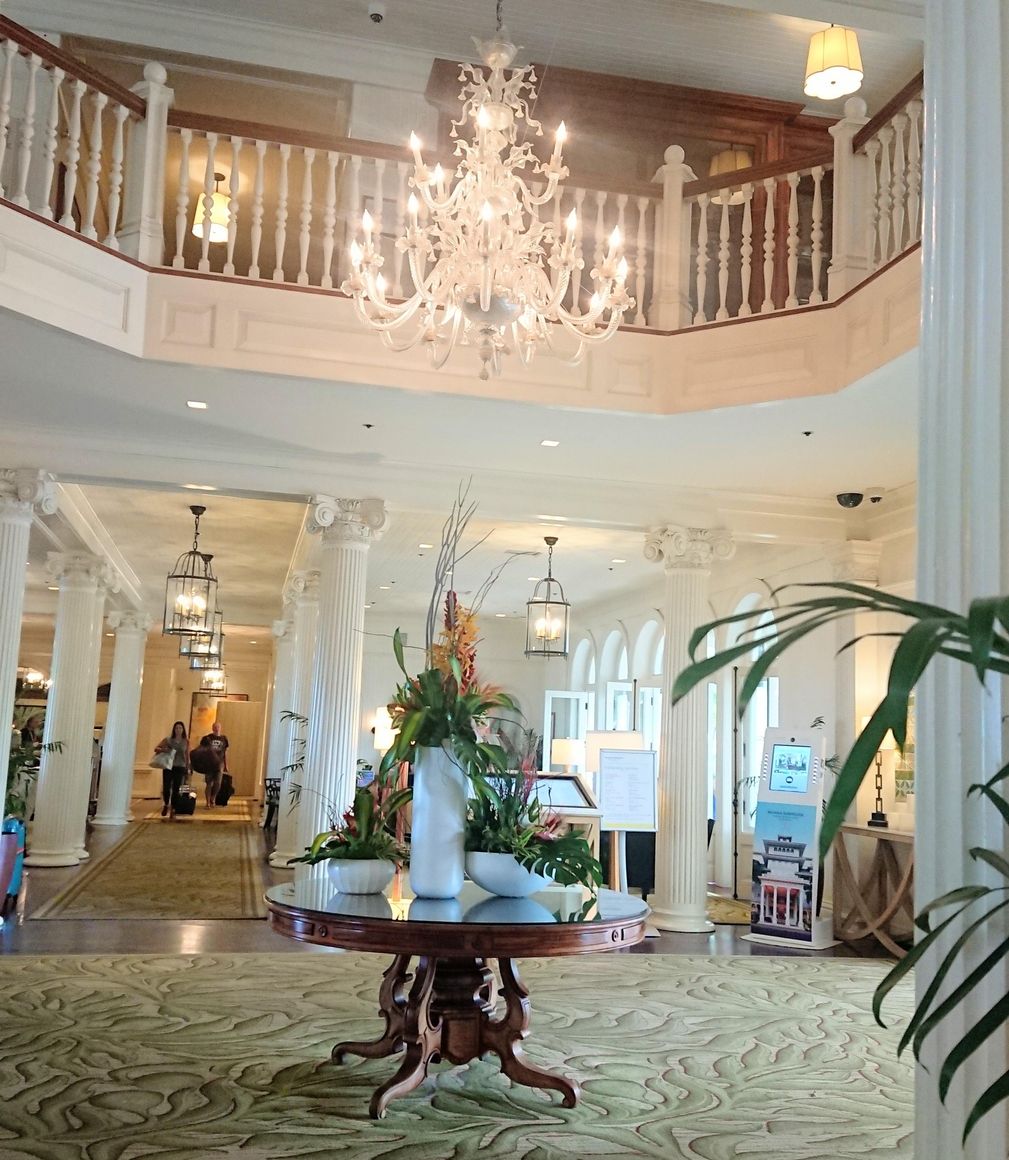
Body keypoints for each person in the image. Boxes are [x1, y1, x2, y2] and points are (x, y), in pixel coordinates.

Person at [157, 721, 190, 819]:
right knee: (166, 787)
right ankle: (166, 804)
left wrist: (188, 767)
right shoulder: (168, 740)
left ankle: (173, 809)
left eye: (180, 728)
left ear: (183, 730)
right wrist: (164, 750)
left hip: (180, 766)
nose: (178, 730)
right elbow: (157, 748)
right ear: (174, 729)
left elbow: (187, 755)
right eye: (176, 728)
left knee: (176, 788)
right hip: (168, 766)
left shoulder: (186, 741)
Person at [199, 720, 229, 809]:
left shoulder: (224, 739)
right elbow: (201, 750)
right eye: (215, 727)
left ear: (220, 728)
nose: (216, 729)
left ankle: (213, 797)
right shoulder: (207, 738)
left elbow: (225, 752)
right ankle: (208, 802)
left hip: (219, 764)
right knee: (209, 783)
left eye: (218, 727)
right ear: (212, 728)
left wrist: (226, 765)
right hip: (209, 763)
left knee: (218, 783)